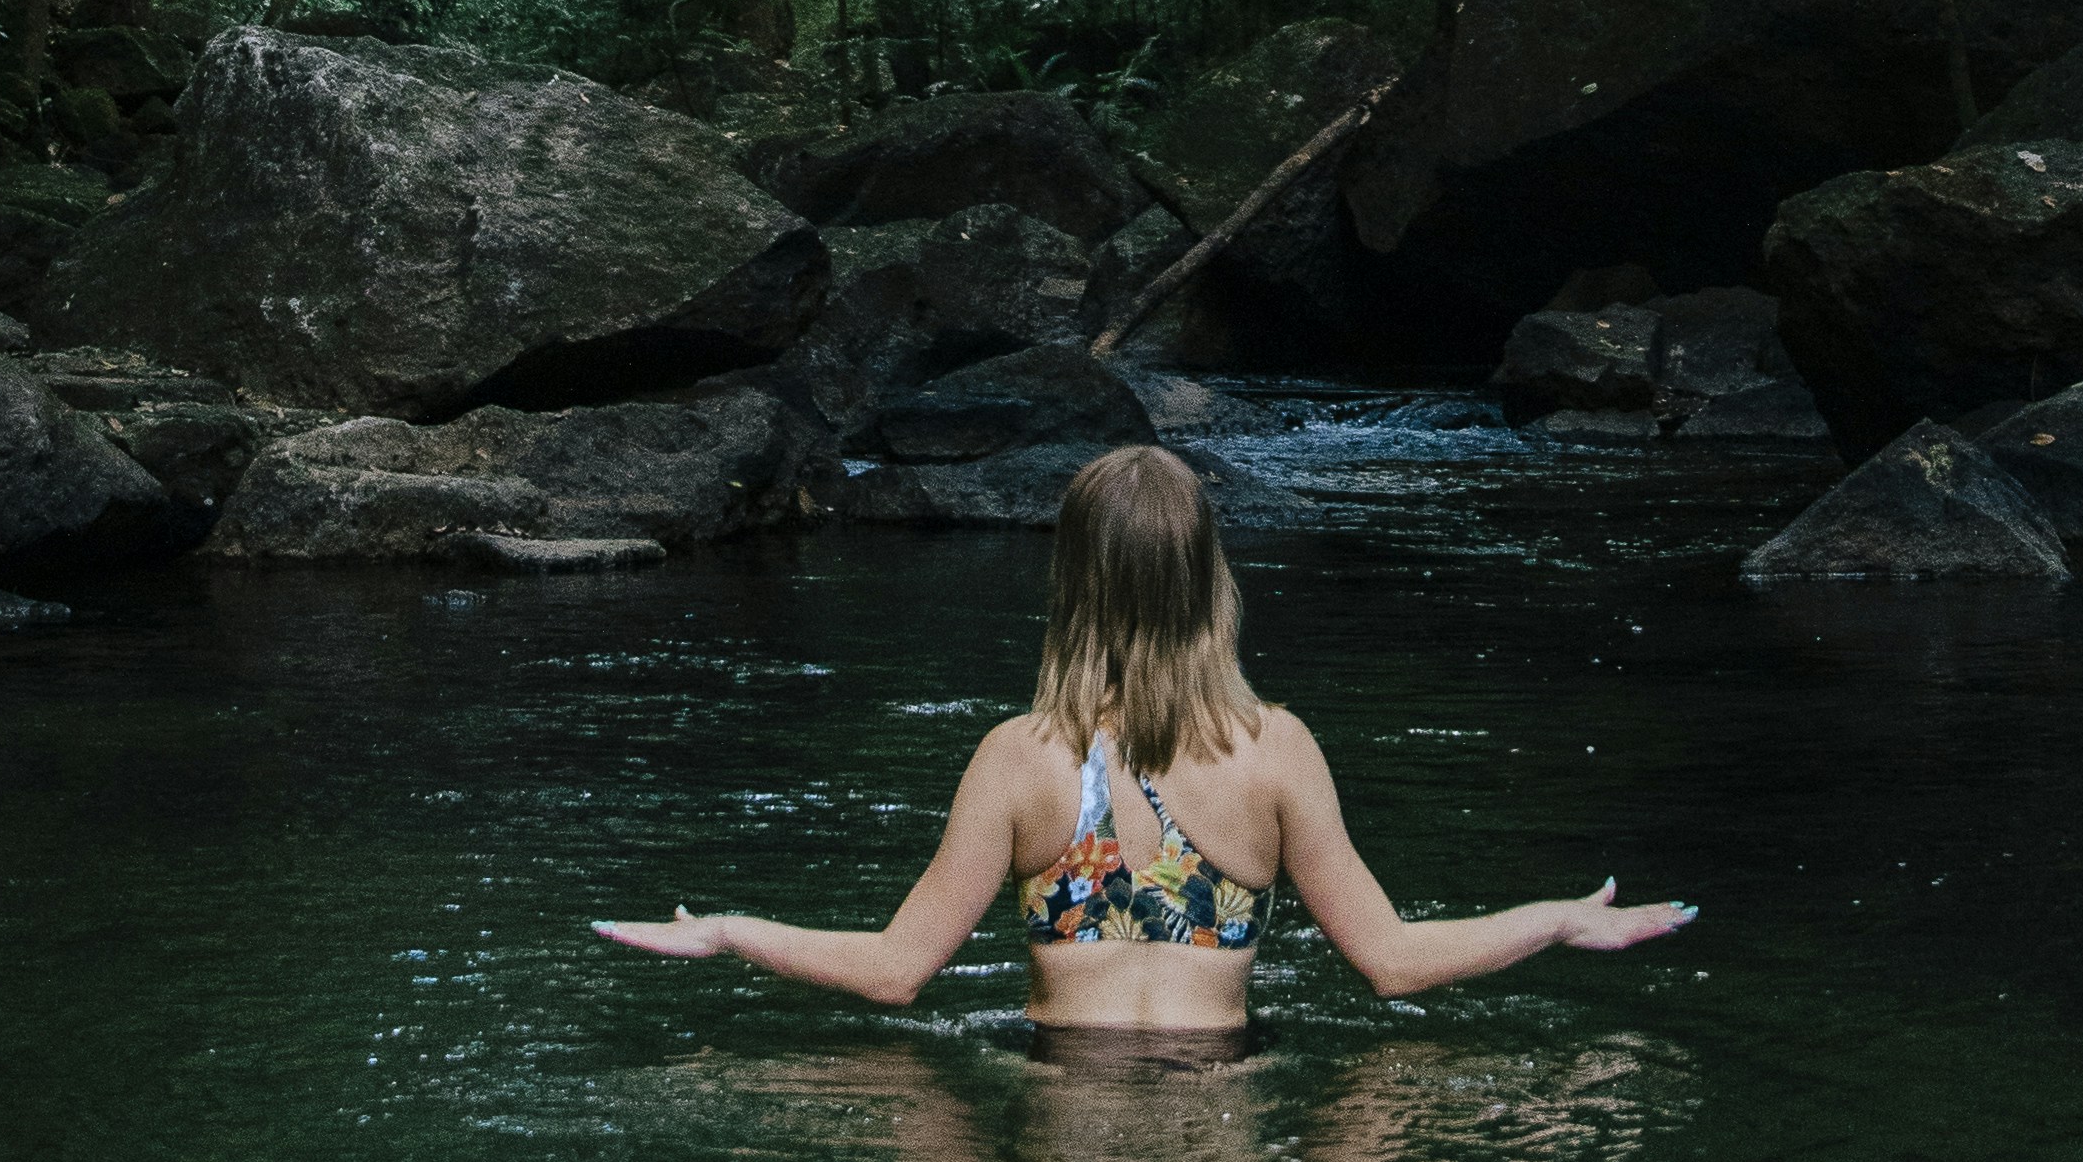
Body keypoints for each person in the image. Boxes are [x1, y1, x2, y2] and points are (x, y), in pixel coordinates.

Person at [593, 435, 1697, 1032]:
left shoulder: (1020, 755)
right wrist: (1548, 922)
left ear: (1069, 580)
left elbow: (894, 973)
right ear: (1207, 574)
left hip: (1061, 1099)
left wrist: (731, 930)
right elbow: (1393, 965)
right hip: (1219, 1105)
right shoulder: (1275, 749)